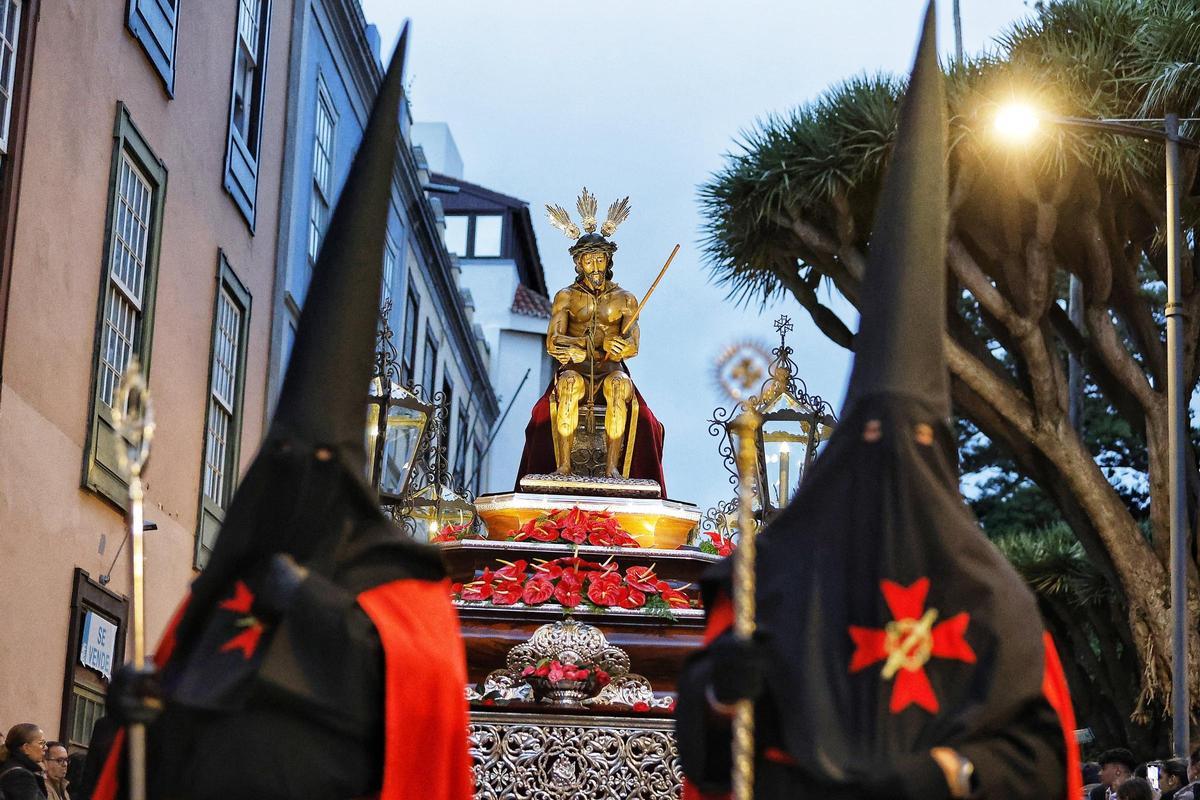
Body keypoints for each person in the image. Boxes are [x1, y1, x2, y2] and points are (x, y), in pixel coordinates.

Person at [675, 4, 1080, 799]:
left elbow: (1040, 761)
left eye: (913, 439)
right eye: (869, 437)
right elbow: (711, 755)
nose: (890, 458)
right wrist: (723, 691)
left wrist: (939, 775)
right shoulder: (774, 576)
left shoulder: (992, 596)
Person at [90, 24, 473, 800]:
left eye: (313, 467)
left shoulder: (402, 597)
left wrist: (306, 599)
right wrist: (129, 722)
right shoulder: (225, 589)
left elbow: (413, 710)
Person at [0, 724, 48, 800]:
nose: (46, 747)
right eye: (41, 743)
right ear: (26, 747)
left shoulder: (11, 767)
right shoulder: (20, 775)